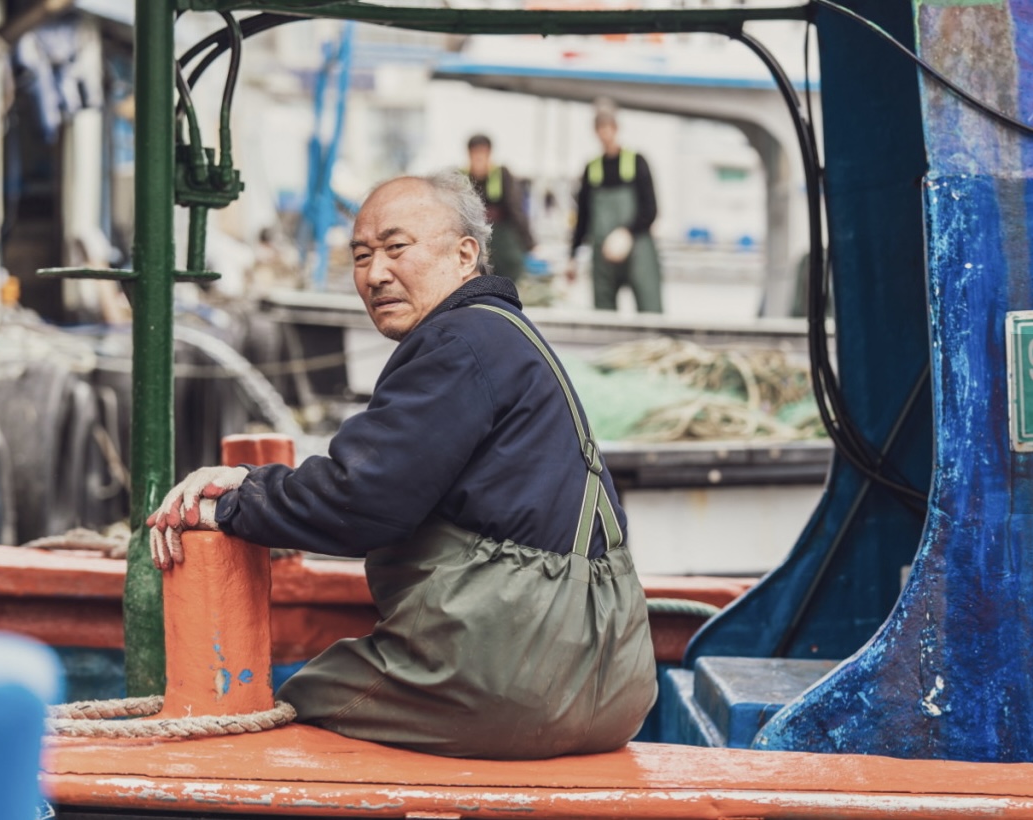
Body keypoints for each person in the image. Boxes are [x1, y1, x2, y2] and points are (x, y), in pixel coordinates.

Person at [147, 172, 657, 760]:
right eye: (360, 255)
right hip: (614, 688)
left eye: (396, 248)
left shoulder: (456, 343)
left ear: (466, 254)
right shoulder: (509, 337)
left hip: (519, 681)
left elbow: (361, 498)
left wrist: (236, 502)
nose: (374, 274)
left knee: (298, 707)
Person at [566, 102, 663, 313]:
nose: (604, 133)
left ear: (616, 128)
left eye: (608, 127)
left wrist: (626, 233)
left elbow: (651, 208)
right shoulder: (591, 168)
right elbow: (583, 216)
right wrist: (573, 256)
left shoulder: (637, 162)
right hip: (603, 254)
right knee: (603, 310)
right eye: (600, 128)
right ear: (595, 131)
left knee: (650, 309)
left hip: (638, 248)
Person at [465, 134, 535, 283]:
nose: (479, 159)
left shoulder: (502, 174)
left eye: (482, 153)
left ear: (489, 154)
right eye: (475, 154)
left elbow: (516, 209)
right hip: (475, 238)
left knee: (511, 275)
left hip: (503, 241)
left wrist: (529, 243)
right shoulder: (463, 177)